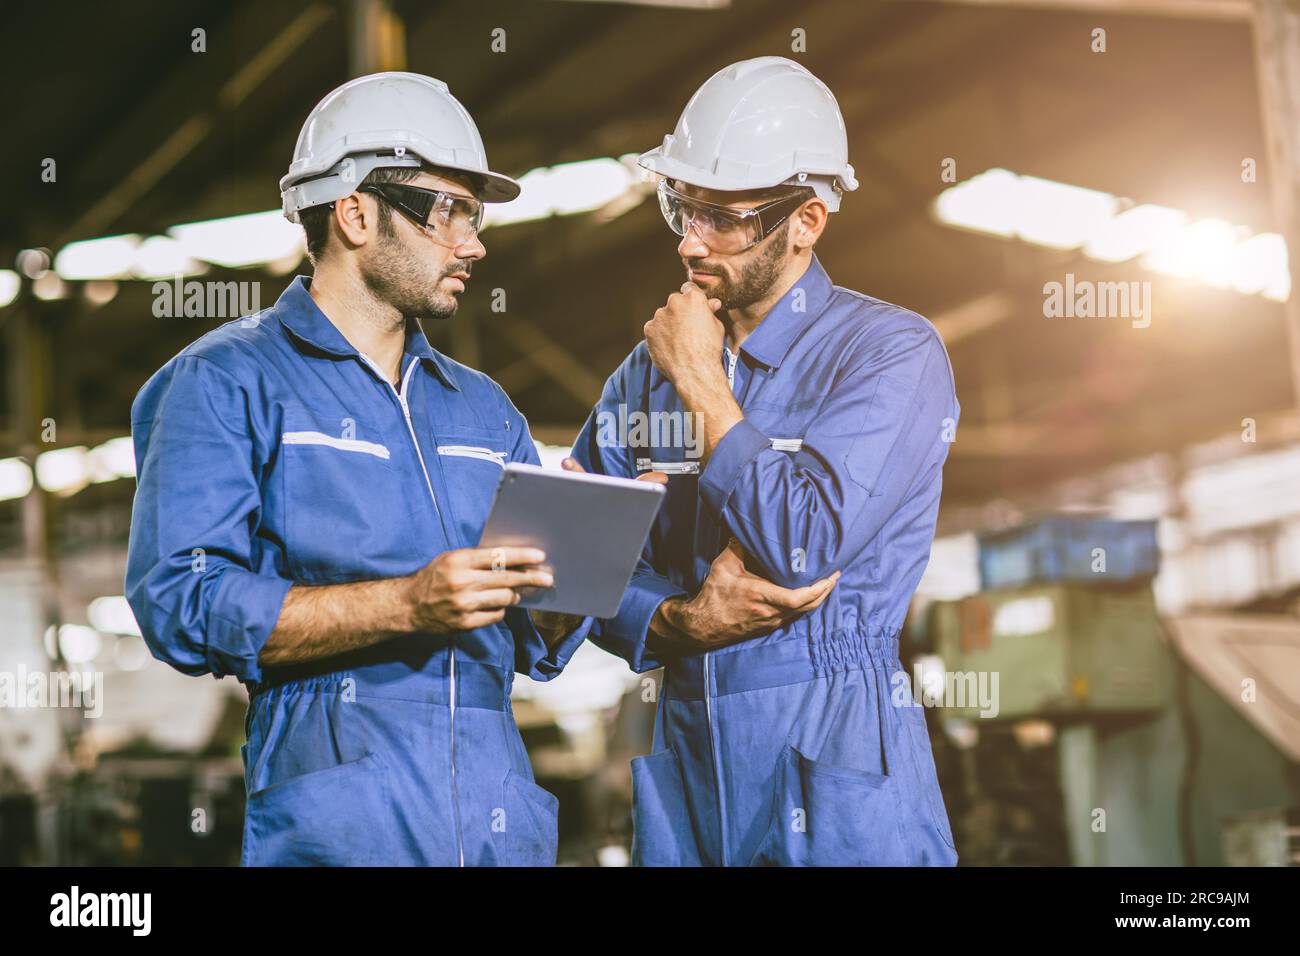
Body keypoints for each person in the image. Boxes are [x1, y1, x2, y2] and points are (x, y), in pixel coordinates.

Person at [126, 72, 590, 866]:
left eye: (473, 217)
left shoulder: (483, 410)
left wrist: (584, 551)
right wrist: (407, 605)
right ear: (354, 212)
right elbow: (182, 602)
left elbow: (532, 638)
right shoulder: (227, 382)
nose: (473, 243)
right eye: (450, 211)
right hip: (341, 825)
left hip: (496, 824)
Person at [569, 57, 961, 866]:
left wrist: (705, 384)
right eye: (680, 205)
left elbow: (802, 546)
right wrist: (674, 623)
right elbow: (574, 568)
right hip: (685, 763)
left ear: (807, 220)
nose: (688, 238)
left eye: (721, 216)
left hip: (836, 752)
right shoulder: (645, 375)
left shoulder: (889, 353)